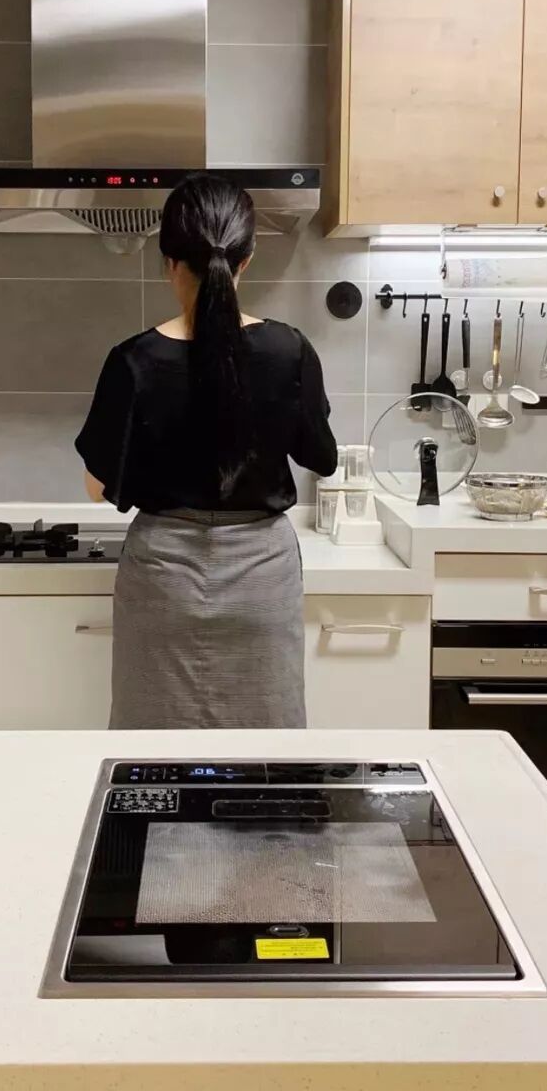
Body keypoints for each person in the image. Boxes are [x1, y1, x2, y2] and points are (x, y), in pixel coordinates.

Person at [75, 172, 338, 730]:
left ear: (169, 261)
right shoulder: (289, 349)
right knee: (266, 747)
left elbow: (98, 488)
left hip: (163, 578)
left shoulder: (133, 359)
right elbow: (321, 457)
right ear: (247, 259)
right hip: (262, 577)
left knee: (153, 748)